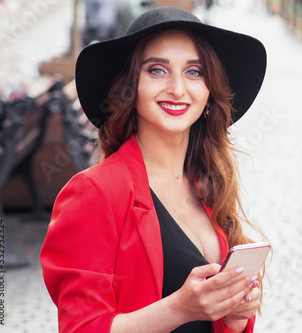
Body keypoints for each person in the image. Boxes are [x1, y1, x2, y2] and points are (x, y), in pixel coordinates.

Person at [40, 6, 267, 333]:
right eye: (157, 70)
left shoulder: (210, 184)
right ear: (130, 88)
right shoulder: (94, 193)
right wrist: (179, 308)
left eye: (194, 72)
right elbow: (83, 327)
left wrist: (234, 315)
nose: (177, 89)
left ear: (208, 90)